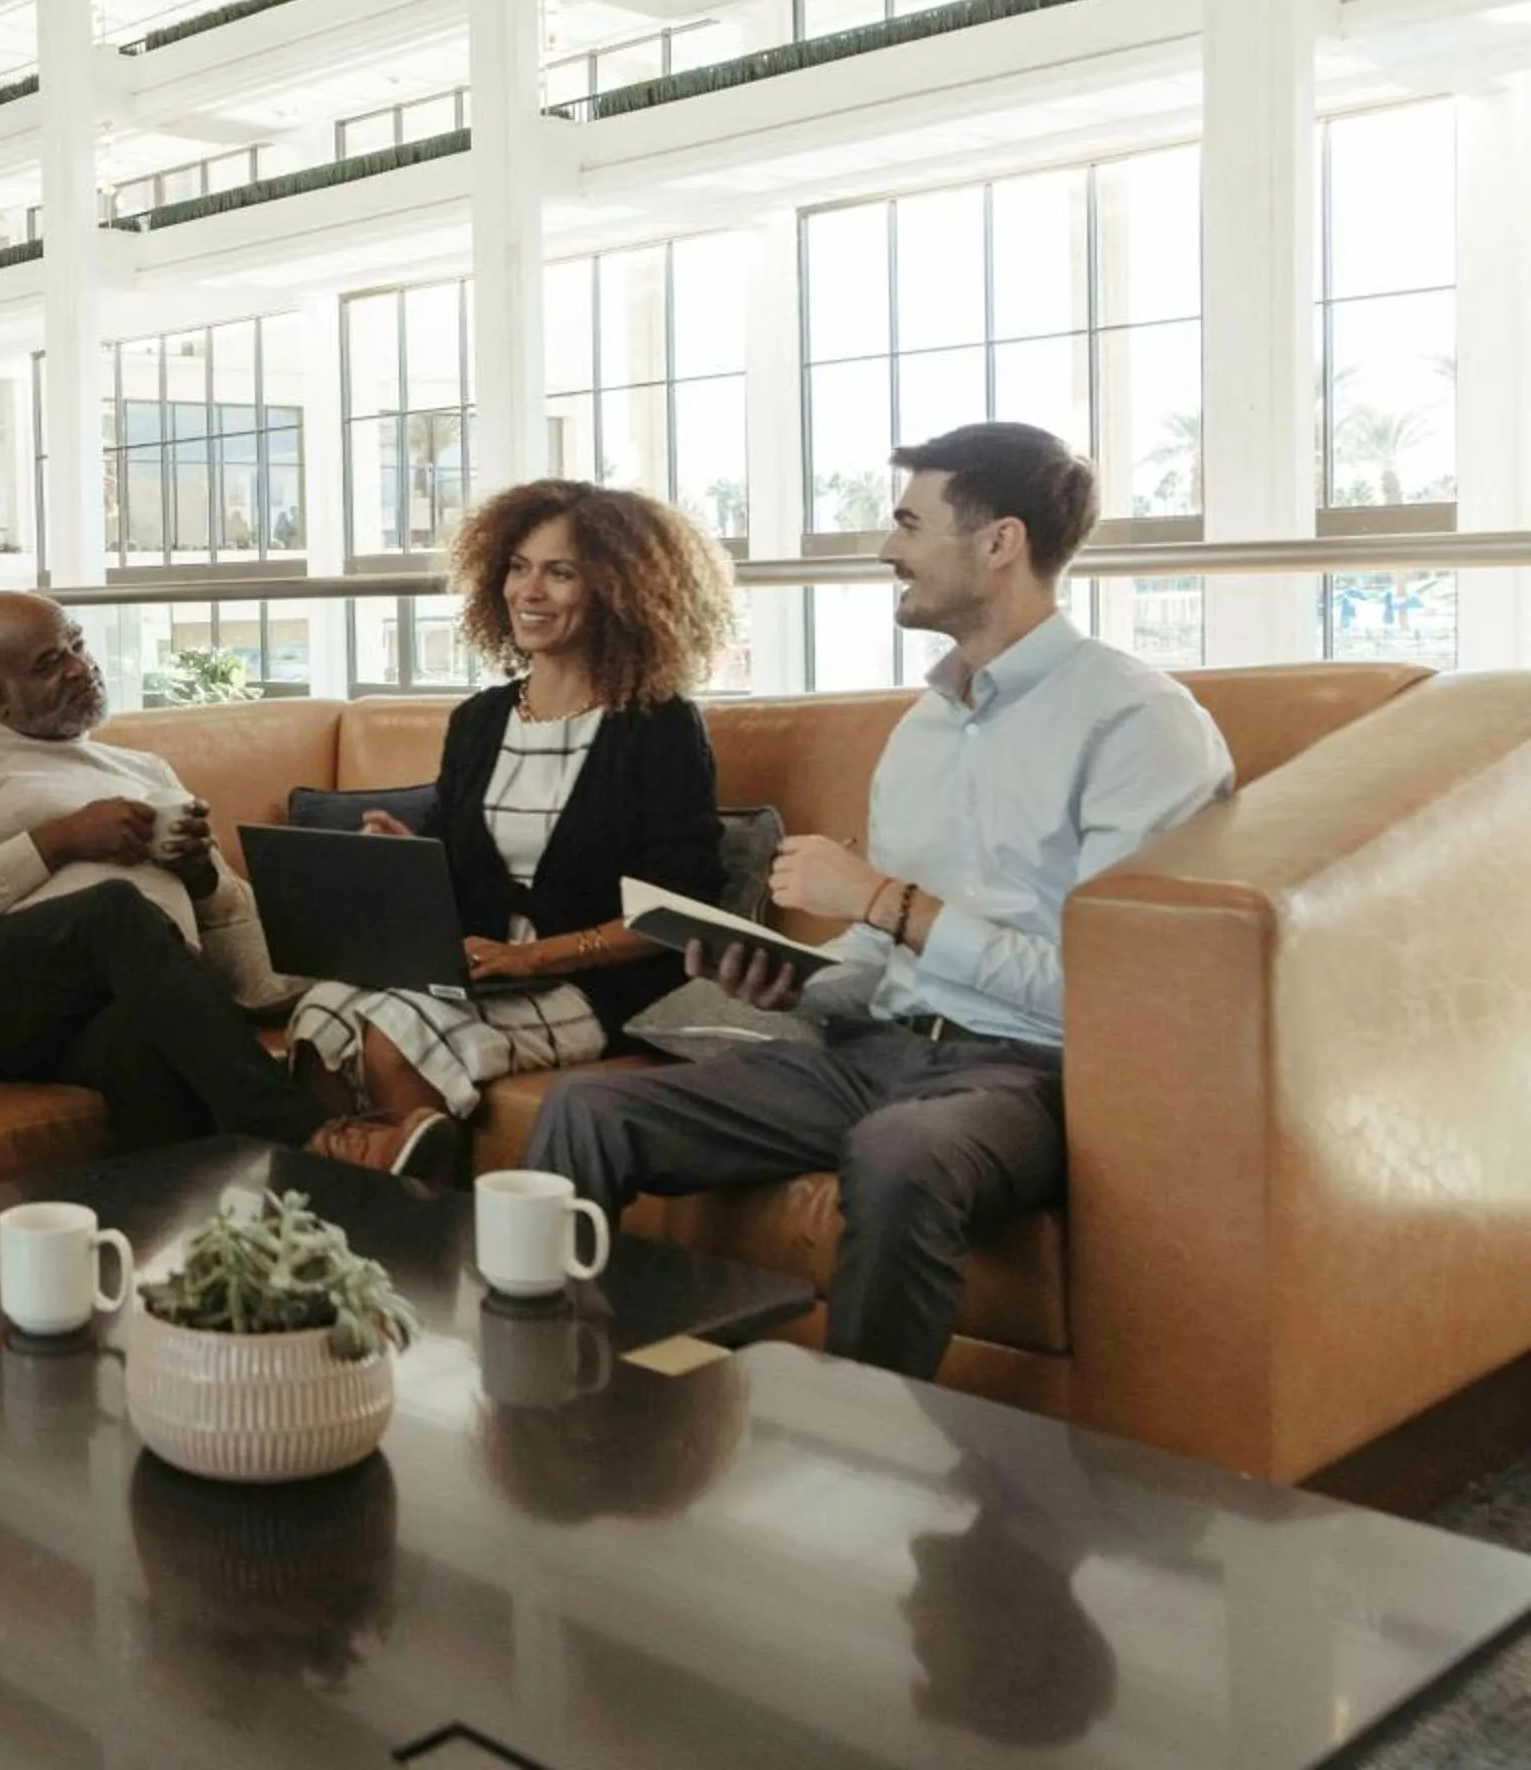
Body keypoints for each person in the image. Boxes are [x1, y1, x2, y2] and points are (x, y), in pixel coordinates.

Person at [527, 423, 1233, 1380]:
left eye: (908, 522)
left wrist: (890, 903)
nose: (886, 549)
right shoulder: (924, 729)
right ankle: (557, 1393)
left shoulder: (1137, 721)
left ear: (999, 542)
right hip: (872, 1054)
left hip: (1026, 1077)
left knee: (900, 1154)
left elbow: (1113, 993)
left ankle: (867, 1458)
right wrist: (787, 983)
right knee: (587, 1113)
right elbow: (878, 964)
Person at [0, 591, 453, 1179]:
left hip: (119, 1003)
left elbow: (232, 931)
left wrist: (201, 877)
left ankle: (182, 1248)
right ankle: (308, 1135)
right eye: (49, 663)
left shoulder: (144, 770)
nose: (80, 667)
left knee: (149, 1051)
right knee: (113, 908)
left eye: (77, 644)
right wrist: (61, 840)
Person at [287, 481, 732, 1129]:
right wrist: (405, 857)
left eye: (560, 573)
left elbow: (683, 905)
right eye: (519, 568)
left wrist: (536, 956)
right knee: (321, 1014)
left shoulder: (657, 725)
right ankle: (349, 1207)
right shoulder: (480, 718)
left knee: (395, 1034)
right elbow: (455, 859)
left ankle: (427, 1219)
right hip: (484, 977)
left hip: (595, 988)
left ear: (617, 590)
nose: (529, 591)